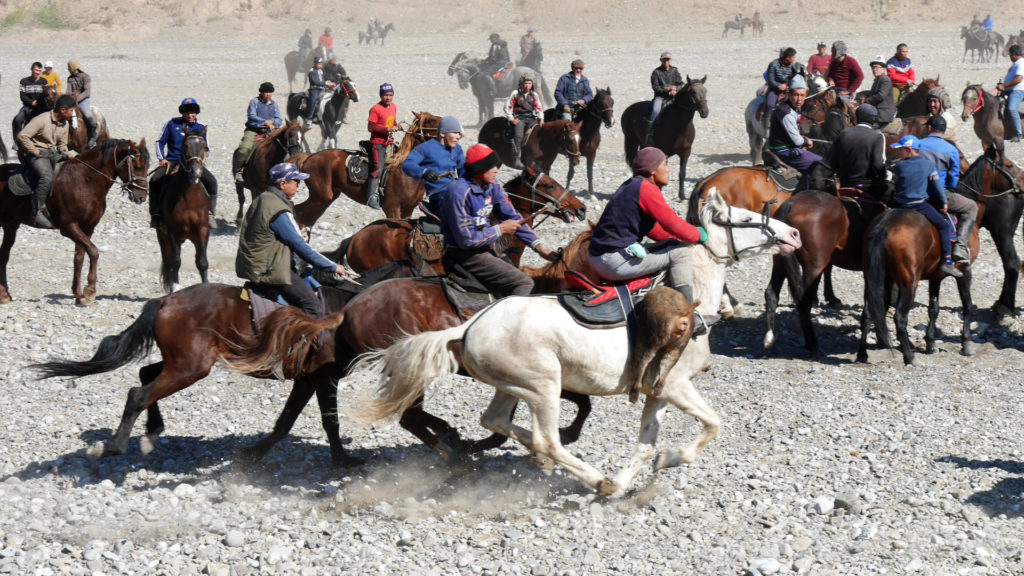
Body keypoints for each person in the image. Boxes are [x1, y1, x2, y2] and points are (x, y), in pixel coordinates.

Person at [587, 146, 708, 323]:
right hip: (612, 261)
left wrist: (678, 239)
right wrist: (698, 235)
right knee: (680, 253)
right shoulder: (647, 189)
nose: (668, 170)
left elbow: (653, 229)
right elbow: (672, 223)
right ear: (653, 170)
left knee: (674, 246)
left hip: (599, 257)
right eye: (665, 164)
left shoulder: (631, 185)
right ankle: (687, 317)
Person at [440, 143, 557, 298]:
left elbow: (513, 218)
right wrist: (500, 229)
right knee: (524, 283)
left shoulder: (493, 187)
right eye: (492, 166)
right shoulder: (459, 192)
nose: (497, 170)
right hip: (464, 254)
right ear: (479, 170)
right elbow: (466, 240)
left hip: (485, 248)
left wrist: (540, 249)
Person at [236, 162, 347, 318]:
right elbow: (300, 247)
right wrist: (332, 266)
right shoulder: (278, 209)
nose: (298, 188)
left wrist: (294, 233)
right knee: (314, 308)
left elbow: (266, 232)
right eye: (296, 182)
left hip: (257, 265)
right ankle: (297, 342)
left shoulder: (264, 198)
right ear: (283, 184)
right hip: (271, 269)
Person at [889, 135, 962, 278]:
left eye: (900, 150)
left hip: (899, 205)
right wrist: (944, 202)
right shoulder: (928, 165)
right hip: (919, 206)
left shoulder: (899, 166)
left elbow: (897, 186)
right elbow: (937, 186)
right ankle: (947, 261)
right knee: (944, 226)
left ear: (909, 150)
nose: (899, 153)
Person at [150, 98, 218, 228]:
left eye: (192, 112)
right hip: (172, 161)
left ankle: (210, 214)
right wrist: (162, 158)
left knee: (212, 181)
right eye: (187, 112)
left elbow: (206, 148)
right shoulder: (172, 124)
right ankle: (156, 214)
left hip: (193, 162)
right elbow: (160, 142)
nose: (190, 115)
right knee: (155, 180)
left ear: (196, 113)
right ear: (182, 113)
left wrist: (201, 159)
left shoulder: (201, 128)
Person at [918, 115, 976, 264]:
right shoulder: (951, 150)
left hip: (916, 193)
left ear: (930, 128)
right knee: (971, 207)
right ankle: (960, 247)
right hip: (939, 195)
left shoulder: (918, 144)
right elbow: (952, 179)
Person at [16, 94, 77, 228]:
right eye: (71, 111)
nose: (73, 114)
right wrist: (35, 151)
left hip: (52, 154)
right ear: (63, 110)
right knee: (47, 177)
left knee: (70, 171)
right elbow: (22, 136)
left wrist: (67, 153)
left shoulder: (65, 124)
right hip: (36, 155)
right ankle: (35, 212)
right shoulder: (41, 120)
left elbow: (62, 145)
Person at [402, 115, 465, 217]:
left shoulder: (457, 148)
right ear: (442, 134)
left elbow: (464, 171)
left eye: (459, 133)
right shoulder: (424, 148)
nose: (459, 136)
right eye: (455, 133)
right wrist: (424, 172)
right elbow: (408, 164)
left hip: (457, 192)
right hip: (440, 196)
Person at [826, 104, 888, 198]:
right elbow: (878, 165)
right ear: (873, 120)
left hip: (844, 185)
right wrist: (886, 176)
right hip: (867, 187)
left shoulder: (843, 134)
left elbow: (832, 161)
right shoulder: (878, 137)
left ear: (856, 117)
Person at [766, 75, 821, 174]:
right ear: (789, 94)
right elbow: (797, 142)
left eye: (802, 95)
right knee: (821, 165)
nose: (799, 99)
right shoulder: (787, 113)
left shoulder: (792, 109)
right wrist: (806, 140)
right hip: (784, 153)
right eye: (796, 95)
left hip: (784, 148)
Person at [233, 82, 284, 184]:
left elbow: (279, 119)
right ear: (261, 93)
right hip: (254, 130)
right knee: (244, 148)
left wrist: (273, 123)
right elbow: (251, 116)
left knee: (284, 148)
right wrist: (264, 122)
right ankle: (239, 171)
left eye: (270, 92)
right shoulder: (254, 102)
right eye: (266, 92)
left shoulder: (274, 104)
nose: (268, 94)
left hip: (271, 131)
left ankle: (285, 173)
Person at [366, 83, 401, 210]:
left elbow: (392, 121)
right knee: (378, 168)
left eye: (390, 95)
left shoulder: (394, 107)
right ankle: (371, 197)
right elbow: (371, 127)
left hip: (389, 142)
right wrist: (388, 129)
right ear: (381, 95)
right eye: (385, 95)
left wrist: (397, 126)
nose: (388, 97)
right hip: (378, 143)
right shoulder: (375, 109)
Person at [504, 74, 544, 169]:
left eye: (529, 83)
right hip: (519, 118)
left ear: (532, 84)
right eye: (526, 83)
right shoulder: (515, 93)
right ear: (522, 84)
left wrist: (541, 118)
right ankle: (517, 158)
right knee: (518, 136)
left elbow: (539, 108)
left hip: (531, 118)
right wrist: (512, 119)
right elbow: (508, 107)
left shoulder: (534, 95)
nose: (527, 85)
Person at [649, 52, 684, 143]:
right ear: (661, 60)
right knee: (656, 110)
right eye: (664, 59)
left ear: (671, 60)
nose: (665, 61)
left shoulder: (675, 70)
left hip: (674, 96)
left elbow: (680, 83)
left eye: (667, 59)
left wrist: (675, 90)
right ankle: (650, 132)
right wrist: (668, 89)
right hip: (660, 97)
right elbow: (655, 87)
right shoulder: (656, 72)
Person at [764, 47, 800, 129]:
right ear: (787, 58)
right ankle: (767, 127)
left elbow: (795, 78)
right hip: (775, 90)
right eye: (793, 57)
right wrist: (778, 86)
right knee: (770, 104)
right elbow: (770, 80)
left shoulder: (793, 66)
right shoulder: (773, 64)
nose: (794, 59)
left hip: (788, 90)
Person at [65, 59, 97, 149]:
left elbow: (87, 92)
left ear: (74, 67)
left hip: (83, 101)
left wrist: (76, 99)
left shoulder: (85, 76)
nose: (68, 69)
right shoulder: (70, 79)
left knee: (88, 116)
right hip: (72, 101)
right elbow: (68, 91)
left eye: (69, 67)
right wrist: (68, 99)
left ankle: (93, 137)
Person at [997, 44, 1024, 143]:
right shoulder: (1016, 63)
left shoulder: (1021, 63)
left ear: (1013, 54)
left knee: (1012, 108)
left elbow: (1019, 79)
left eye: (1010, 55)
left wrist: (1004, 86)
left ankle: (1018, 133)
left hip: (1018, 90)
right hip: (1010, 90)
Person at [13, 62, 48, 138]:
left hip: (41, 107)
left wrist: (38, 103)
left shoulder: (44, 81)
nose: (37, 72)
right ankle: (17, 140)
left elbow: (46, 95)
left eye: (39, 71)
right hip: (28, 106)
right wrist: (31, 102)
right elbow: (23, 96)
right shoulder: (24, 81)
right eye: (36, 70)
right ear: (31, 69)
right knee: (17, 120)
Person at [863, 56, 897, 128]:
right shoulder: (877, 80)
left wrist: (866, 101)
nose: (874, 69)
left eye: (877, 67)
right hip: (878, 111)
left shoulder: (885, 80)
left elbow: (880, 96)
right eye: (873, 67)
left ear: (883, 69)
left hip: (883, 113)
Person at [305, 57, 335, 126]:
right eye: (319, 64)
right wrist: (326, 83)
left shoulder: (321, 71)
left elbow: (323, 79)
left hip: (322, 88)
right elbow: (315, 81)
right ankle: (309, 117)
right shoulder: (312, 71)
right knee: (313, 100)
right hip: (315, 89)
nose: (321, 65)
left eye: (321, 64)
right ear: (315, 64)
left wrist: (329, 82)